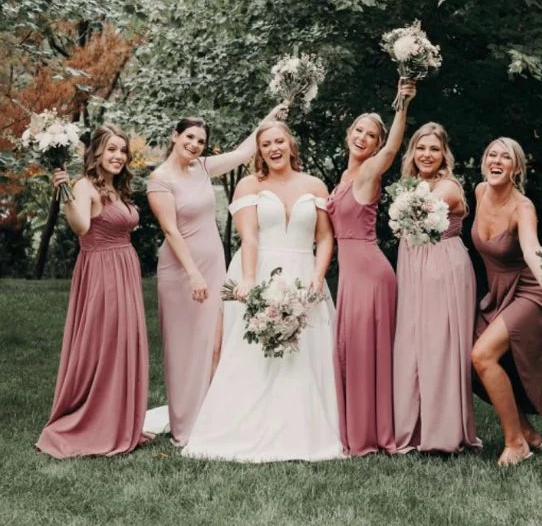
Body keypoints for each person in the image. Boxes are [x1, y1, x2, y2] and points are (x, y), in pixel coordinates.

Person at [182, 121, 343, 462]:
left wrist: (318, 276)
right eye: (266, 144)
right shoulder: (249, 185)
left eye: (279, 141)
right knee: (254, 351)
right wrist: (250, 280)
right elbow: (250, 237)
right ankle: (243, 426)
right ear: (259, 151)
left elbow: (325, 236)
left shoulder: (314, 184)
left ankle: (301, 429)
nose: (273, 148)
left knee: (304, 352)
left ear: (290, 144)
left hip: (304, 273)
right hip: (258, 269)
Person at [145, 105, 286, 447]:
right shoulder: (160, 179)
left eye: (201, 141)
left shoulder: (204, 167)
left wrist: (271, 116)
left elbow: (243, 152)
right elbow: (170, 230)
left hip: (213, 266)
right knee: (184, 347)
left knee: (214, 343)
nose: (194, 145)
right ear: (175, 136)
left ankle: (208, 417)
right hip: (182, 271)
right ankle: (184, 426)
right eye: (189, 137)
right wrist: (193, 274)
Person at [36, 125, 150, 458]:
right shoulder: (83, 186)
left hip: (124, 268)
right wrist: (64, 195)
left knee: (124, 341)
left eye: (123, 150)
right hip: (102, 272)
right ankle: (95, 419)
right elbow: (82, 227)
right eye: (111, 149)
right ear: (97, 152)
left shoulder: (117, 188)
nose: (118, 156)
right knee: (105, 342)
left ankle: (120, 417)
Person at [326, 79, 416, 456]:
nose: (363, 138)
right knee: (350, 350)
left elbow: (395, 149)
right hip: (351, 276)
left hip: (370, 274)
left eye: (371, 136)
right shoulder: (343, 178)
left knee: (364, 353)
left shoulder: (367, 173)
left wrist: (402, 104)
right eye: (359, 131)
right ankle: (356, 426)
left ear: (376, 145)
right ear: (350, 133)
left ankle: (369, 434)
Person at [471, 137, 542, 466]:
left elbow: (531, 251)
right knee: (466, 361)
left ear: (516, 168)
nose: (496, 161)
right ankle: (524, 428)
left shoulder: (523, 208)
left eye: (505, 157)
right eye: (492, 155)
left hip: (530, 292)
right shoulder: (480, 192)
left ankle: (516, 444)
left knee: (482, 355)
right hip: (498, 292)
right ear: (484, 161)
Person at [393, 122, 481, 454]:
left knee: (438, 345)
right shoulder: (410, 184)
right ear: (412, 152)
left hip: (442, 266)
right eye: (421, 148)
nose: (427, 155)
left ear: (445, 154)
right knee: (412, 342)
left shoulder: (448, 187)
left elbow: (418, 210)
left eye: (434, 149)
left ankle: (442, 432)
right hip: (413, 266)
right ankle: (413, 426)